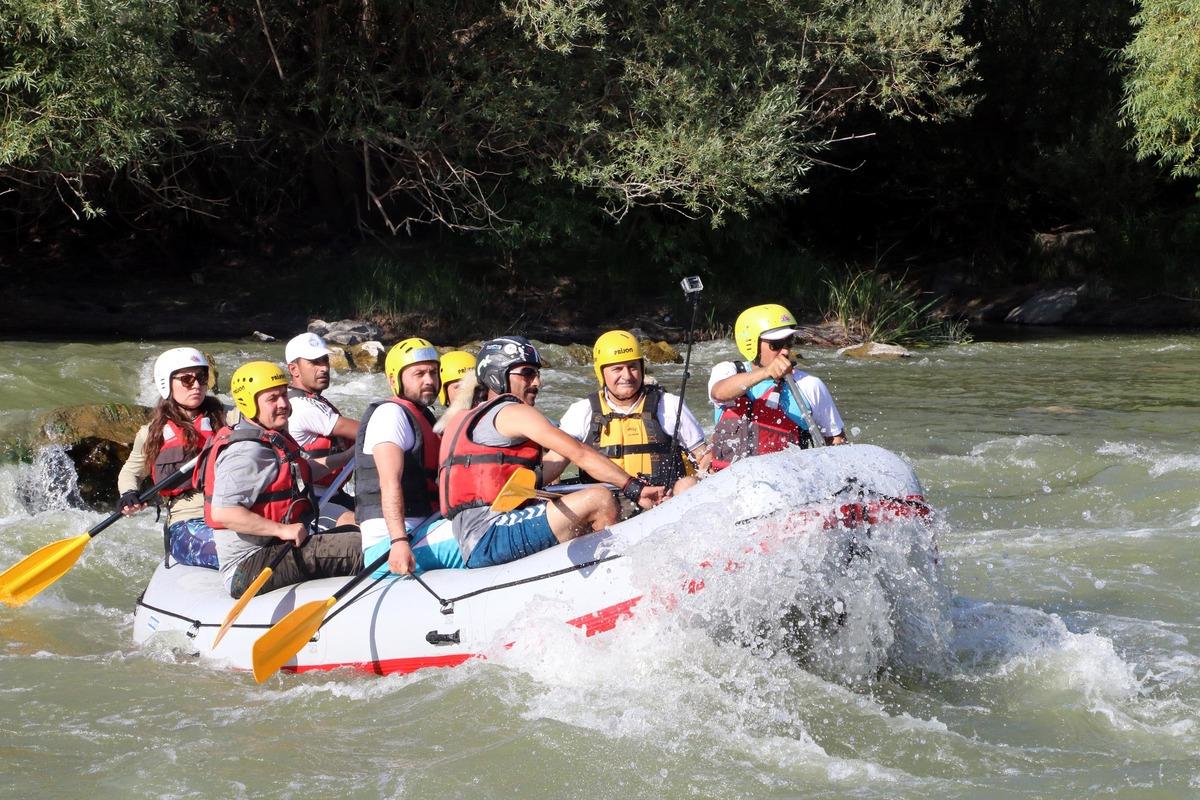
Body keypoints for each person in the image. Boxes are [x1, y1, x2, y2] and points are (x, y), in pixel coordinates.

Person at [438, 336, 666, 569]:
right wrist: (634, 487)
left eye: (537, 374)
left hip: (474, 536)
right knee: (600, 499)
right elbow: (580, 453)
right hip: (492, 534)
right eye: (527, 373)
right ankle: (614, 575)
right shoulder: (513, 412)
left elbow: (547, 464)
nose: (537, 382)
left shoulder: (465, 418)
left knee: (578, 494)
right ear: (498, 375)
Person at [201, 361, 362, 598]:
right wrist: (282, 529)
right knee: (359, 548)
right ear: (249, 402)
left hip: (276, 549)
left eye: (284, 396)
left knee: (364, 531)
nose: (283, 404)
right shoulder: (246, 452)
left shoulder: (273, 437)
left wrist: (349, 455)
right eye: (272, 399)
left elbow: (305, 471)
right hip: (248, 566)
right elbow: (224, 513)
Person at [548, 330, 710, 494]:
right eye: (617, 369)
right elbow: (555, 461)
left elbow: (703, 457)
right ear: (601, 373)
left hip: (664, 503)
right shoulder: (581, 411)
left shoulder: (670, 405)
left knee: (688, 484)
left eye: (633, 367)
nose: (627, 376)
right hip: (606, 506)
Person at [117, 347, 225, 568]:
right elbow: (131, 471)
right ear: (167, 383)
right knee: (229, 549)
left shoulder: (229, 417)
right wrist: (129, 493)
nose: (196, 385)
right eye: (187, 379)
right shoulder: (151, 433)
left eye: (202, 378)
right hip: (188, 519)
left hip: (236, 511)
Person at [355, 338, 453, 575]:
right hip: (391, 545)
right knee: (488, 536)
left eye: (433, 372)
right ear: (393, 380)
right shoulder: (390, 415)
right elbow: (389, 482)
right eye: (418, 373)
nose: (429, 380)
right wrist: (398, 541)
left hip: (426, 527)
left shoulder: (426, 417)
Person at [708, 303, 847, 470]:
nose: (785, 351)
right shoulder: (727, 371)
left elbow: (836, 441)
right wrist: (767, 372)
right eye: (776, 344)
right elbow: (719, 393)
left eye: (789, 342)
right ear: (751, 343)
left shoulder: (809, 385)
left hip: (785, 484)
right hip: (729, 482)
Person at [284, 332, 359, 513]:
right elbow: (370, 430)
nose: (324, 368)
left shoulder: (313, 400)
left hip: (332, 493)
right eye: (314, 362)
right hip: (312, 498)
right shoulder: (302, 406)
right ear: (294, 369)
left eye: (324, 360)